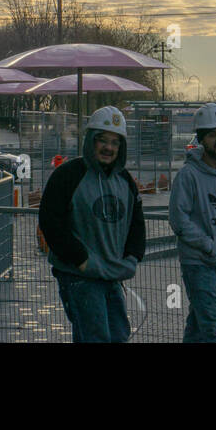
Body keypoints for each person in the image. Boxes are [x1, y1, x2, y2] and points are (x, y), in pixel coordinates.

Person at [39, 106, 146, 342]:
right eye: (102, 140)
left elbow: (137, 223)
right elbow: (50, 221)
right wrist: (81, 259)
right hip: (79, 277)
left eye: (115, 142)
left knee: (119, 335)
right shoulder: (67, 176)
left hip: (112, 276)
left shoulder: (125, 181)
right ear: (90, 141)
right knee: (94, 337)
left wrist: (132, 257)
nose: (109, 148)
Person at [169, 102, 216, 343]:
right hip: (199, 263)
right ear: (202, 138)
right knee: (215, 328)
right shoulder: (188, 175)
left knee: (198, 327)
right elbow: (179, 219)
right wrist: (208, 245)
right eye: (213, 135)